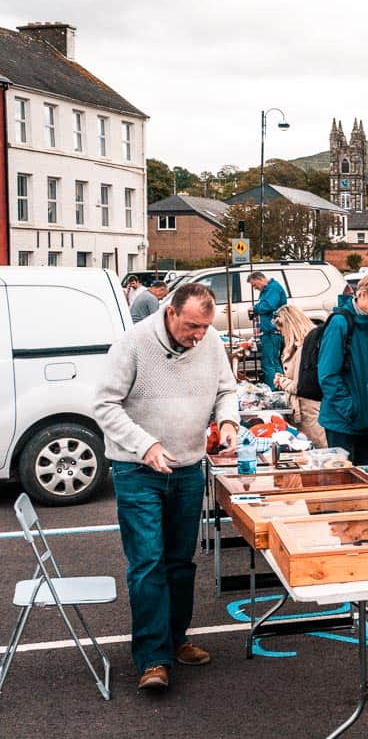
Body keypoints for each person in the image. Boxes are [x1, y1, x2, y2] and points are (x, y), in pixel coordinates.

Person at [94, 282, 239, 691]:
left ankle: (176, 639)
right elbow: (104, 404)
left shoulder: (209, 343)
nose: (198, 336)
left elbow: (227, 390)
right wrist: (146, 445)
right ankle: (153, 658)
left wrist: (228, 421)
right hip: (138, 470)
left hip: (189, 467)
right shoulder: (134, 343)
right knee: (147, 563)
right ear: (170, 313)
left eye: (205, 327)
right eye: (192, 326)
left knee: (180, 562)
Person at [318, 271, 368, 464]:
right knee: (344, 481)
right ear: (362, 294)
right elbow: (327, 375)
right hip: (343, 421)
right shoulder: (339, 323)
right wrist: (350, 408)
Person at [271, 304, 328, 449]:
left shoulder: (302, 348)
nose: (281, 334)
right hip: (301, 409)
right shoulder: (301, 346)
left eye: (282, 330)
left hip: (307, 410)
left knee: (317, 451)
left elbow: (300, 386)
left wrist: (281, 381)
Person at [248, 271, 288, 390]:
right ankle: (281, 388)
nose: (255, 288)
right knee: (274, 362)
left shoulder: (273, 289)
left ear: (260, 279)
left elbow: (268, 306)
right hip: (270, 331)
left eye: (255, 285)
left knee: (268, 363)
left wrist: (254, 308)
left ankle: (272, 391)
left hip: (272, 332)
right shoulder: (268, 290)